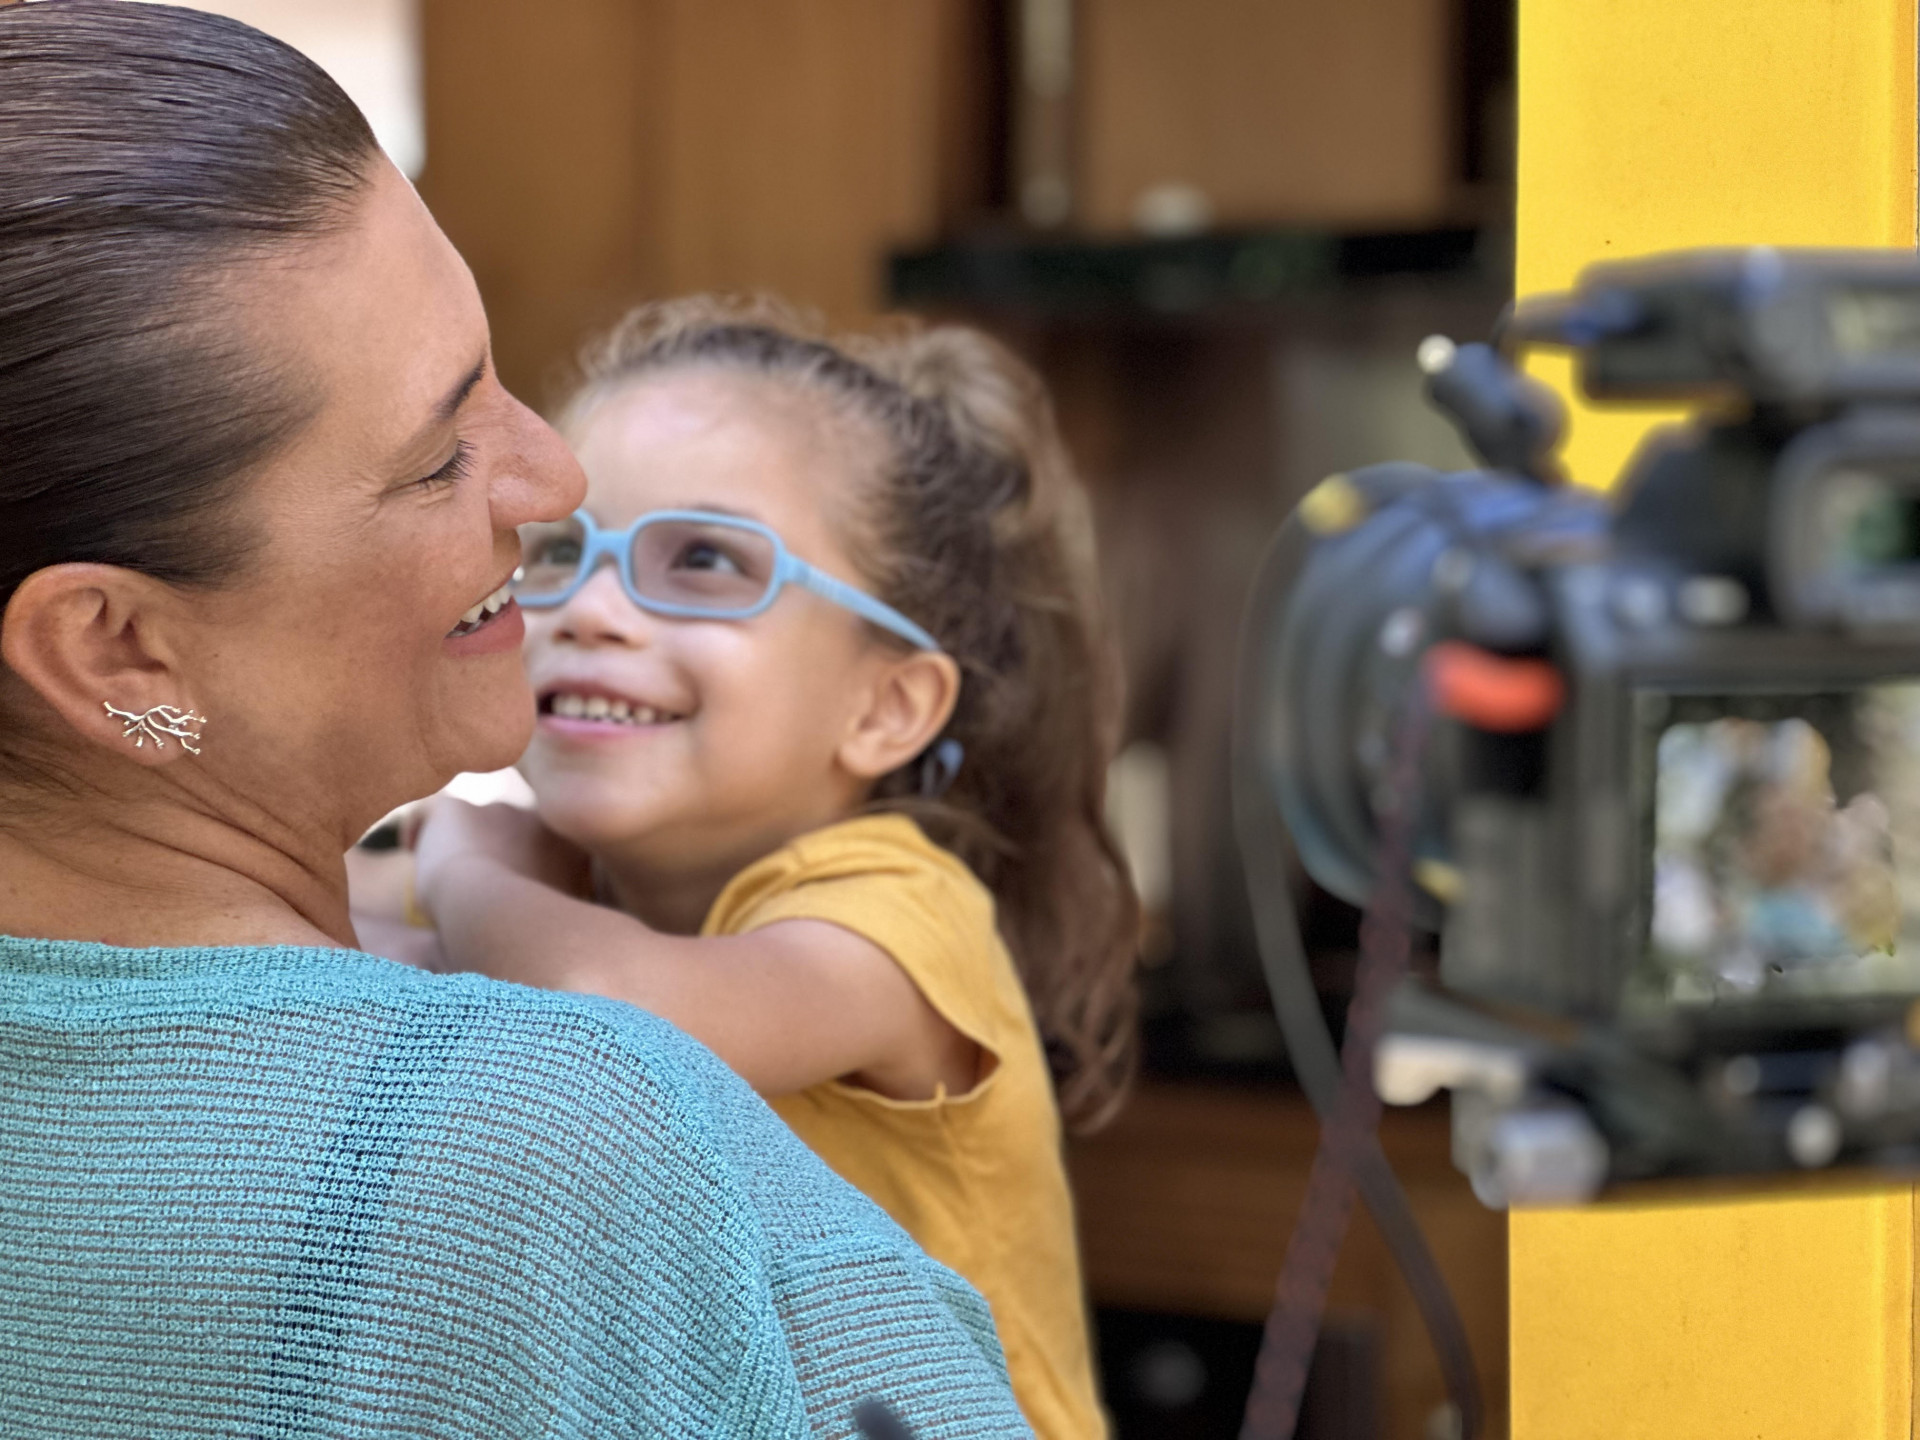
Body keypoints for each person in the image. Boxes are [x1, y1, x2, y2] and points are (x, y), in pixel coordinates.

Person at [0, 5, 1031, 1437]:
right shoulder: (550, 1148)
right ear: (117, 649)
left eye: (494, 371)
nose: (549, 477)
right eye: (439, 457)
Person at [401, 297, 1141, 1440]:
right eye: (555, 550)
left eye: (703, 560)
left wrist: (461, 868)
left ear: (885, 705)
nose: (592, 610)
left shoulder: (899, 910)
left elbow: (612, 1014)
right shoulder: (572, 899)